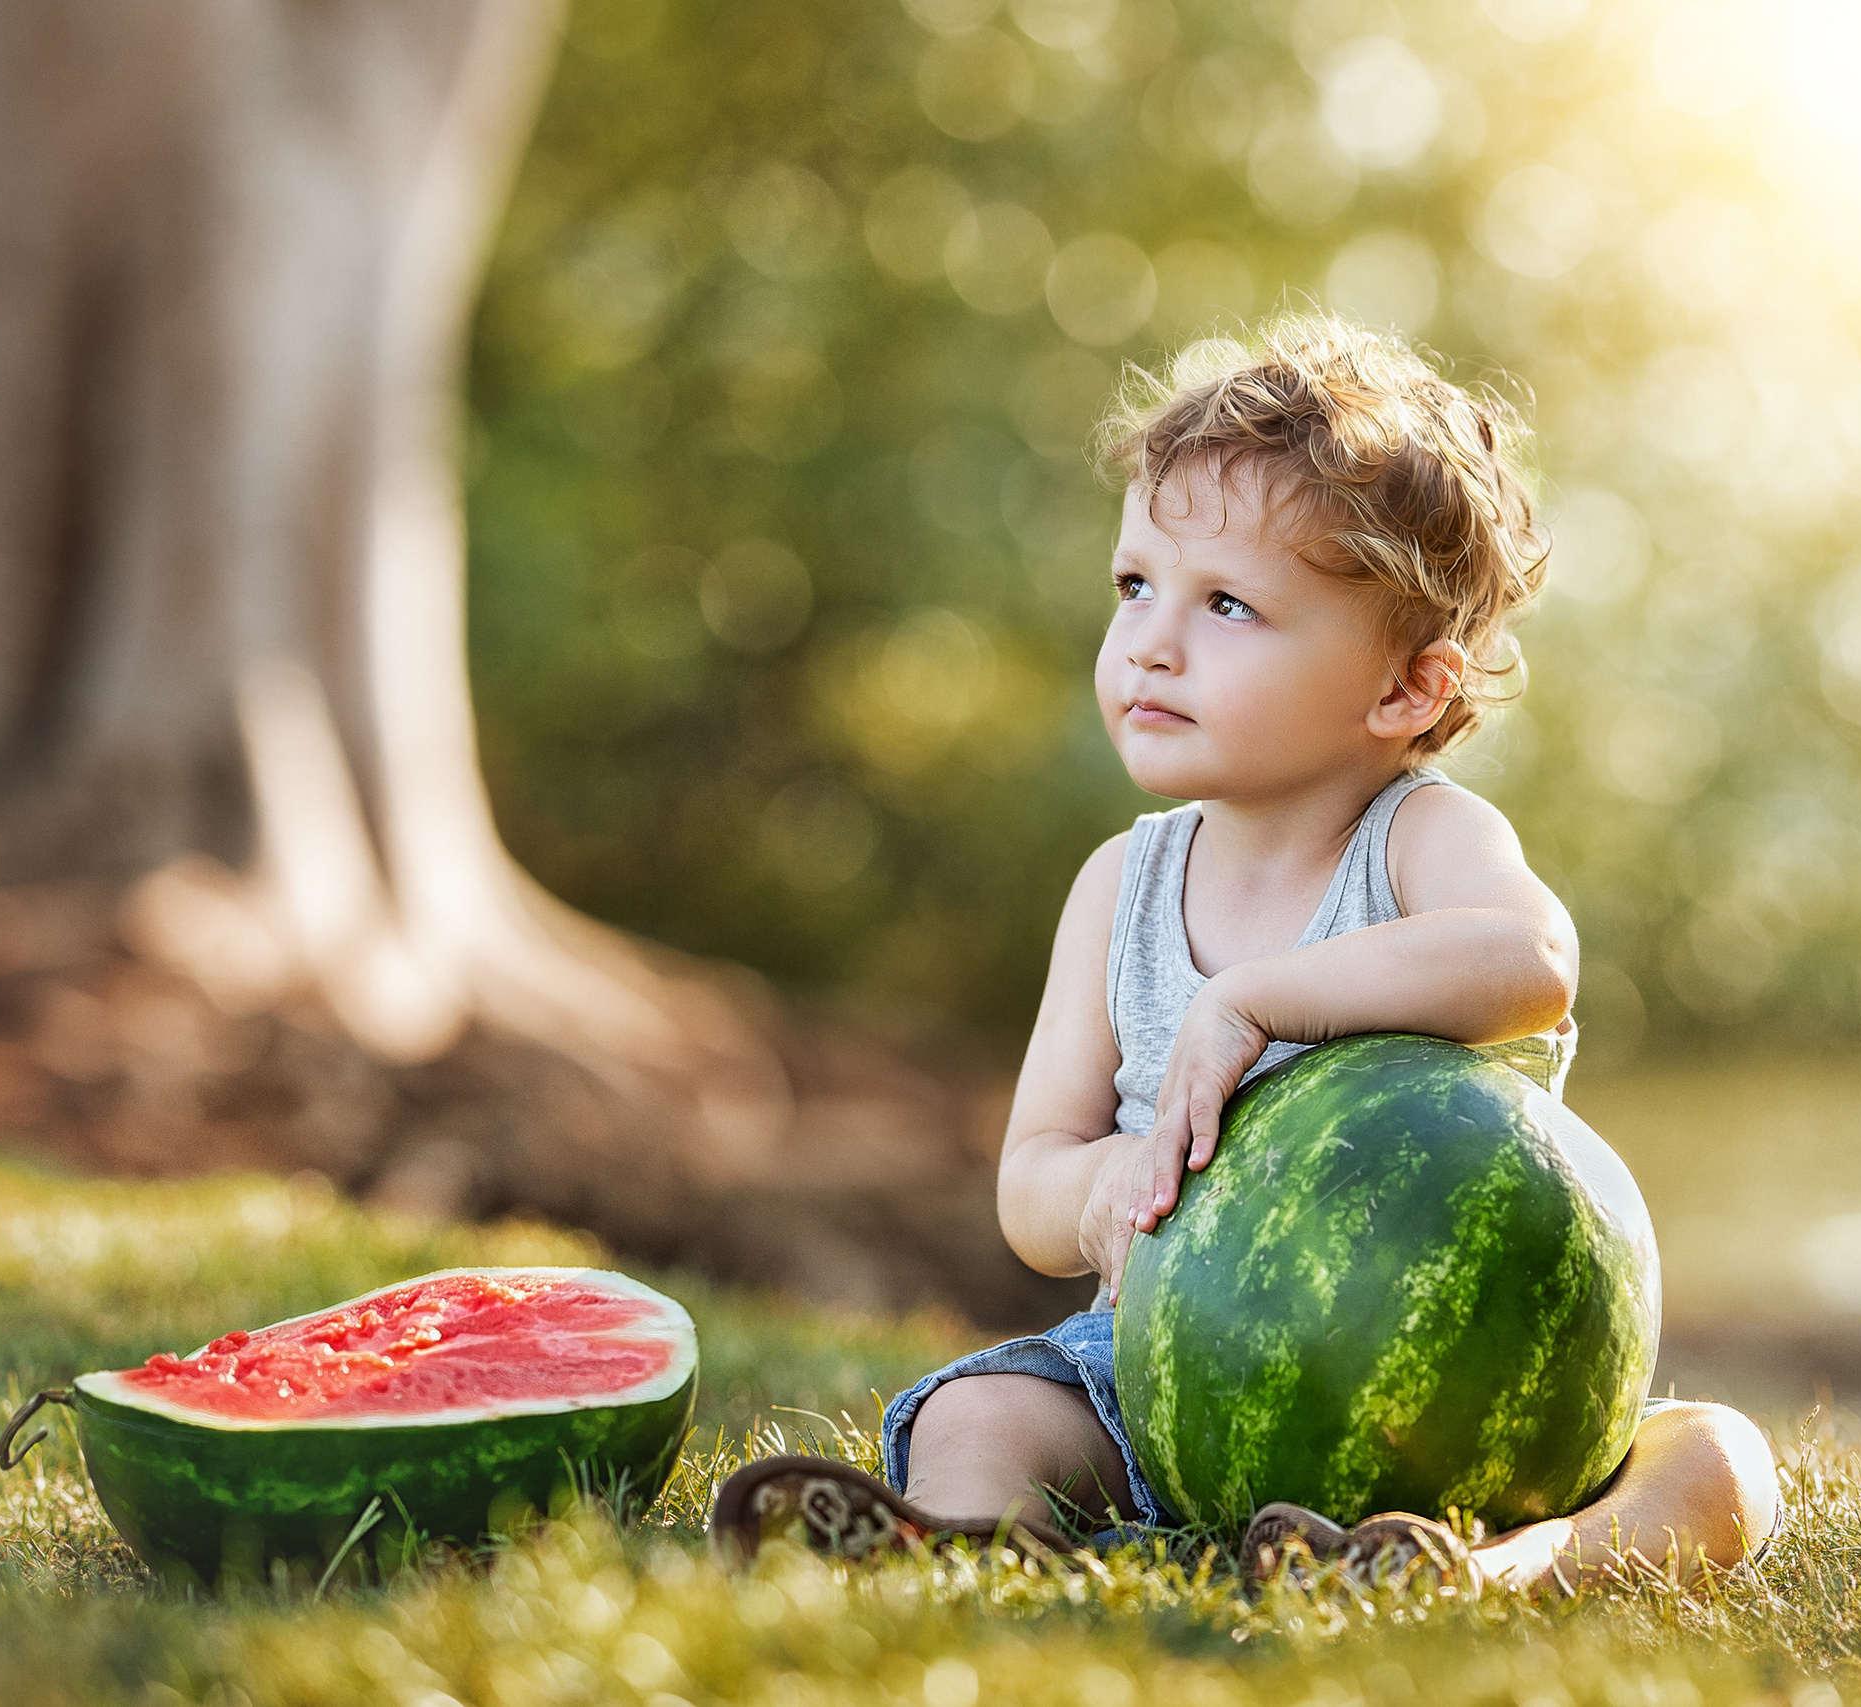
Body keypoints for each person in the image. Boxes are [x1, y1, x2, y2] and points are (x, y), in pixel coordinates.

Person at [711, 315, 1779, 1592]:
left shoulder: (1424, 845)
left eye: (1226, 604)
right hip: (1163, 1370)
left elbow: (1532, 956)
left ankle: (1499, 1567)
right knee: (982, 1412)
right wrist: (1101, 1192)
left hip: (1454, 1385)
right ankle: (972, 1541)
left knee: (1718, 1456)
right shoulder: (1122, 888)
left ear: (1403, 693)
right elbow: (1030, 1180)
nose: (1152, 641)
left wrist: (1258, 1001)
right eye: (1134, 587)